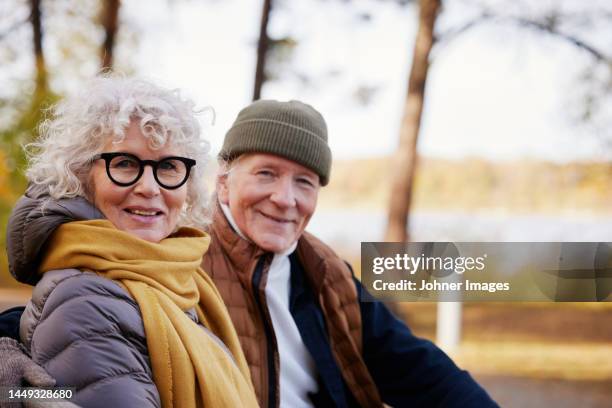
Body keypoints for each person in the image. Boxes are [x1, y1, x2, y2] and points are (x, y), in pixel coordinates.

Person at [1, 99, 498, 407]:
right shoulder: (180, 256)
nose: (285, 198)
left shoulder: (324, 272)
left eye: (304, 182)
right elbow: (73, 318)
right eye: (266, 174)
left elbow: (416, 368)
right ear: (222, 180)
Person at [0, 77, 258, 408]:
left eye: (167, 166)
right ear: (82, 176)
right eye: (124, 163)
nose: (150, 188)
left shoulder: (181, 279)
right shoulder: (85, 301)